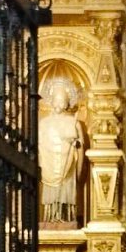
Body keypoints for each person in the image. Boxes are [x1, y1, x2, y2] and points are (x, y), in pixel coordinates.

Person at [38, 78, 85, 224]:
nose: (59, 104)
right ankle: (50, 216)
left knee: (66, 191)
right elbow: (39, 141)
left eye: (62, 101)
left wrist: (75, 144)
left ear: (67, 103)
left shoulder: (73, 122)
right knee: (51, 193)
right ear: (51, 101)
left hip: (68, 161)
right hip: (49, 162)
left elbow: (80, 142)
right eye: (56, 100)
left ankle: (67, 216)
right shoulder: (44, 122)